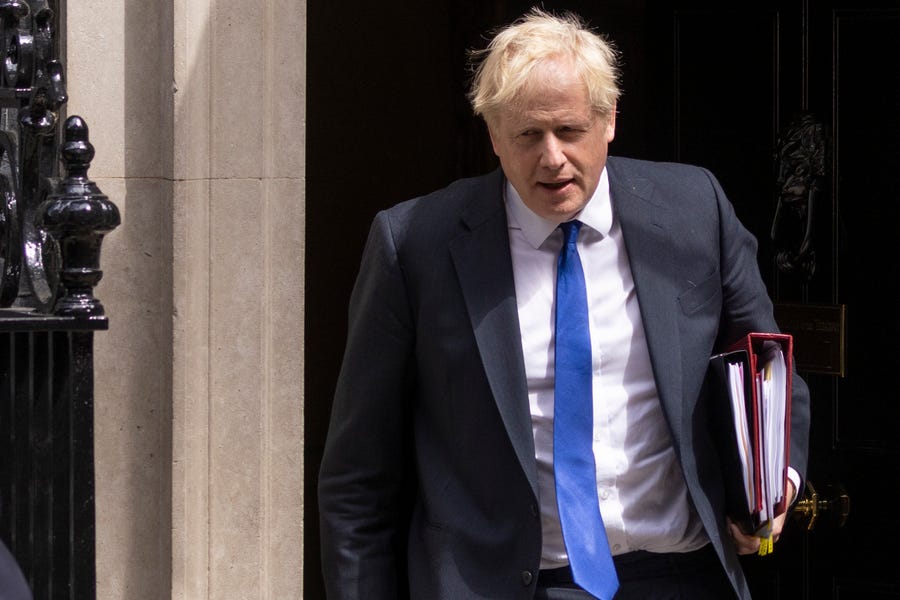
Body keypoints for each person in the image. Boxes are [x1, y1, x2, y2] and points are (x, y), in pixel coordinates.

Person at [317, 8, 810, 600]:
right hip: (509, 584)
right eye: (527, 135)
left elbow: (767, 370)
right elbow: (357, 479)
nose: (551, 158)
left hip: (685, 573)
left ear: (609, 122)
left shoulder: (692, 210)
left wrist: (773, 481)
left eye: (569, 131)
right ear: (494, 136)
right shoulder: (416, 245)